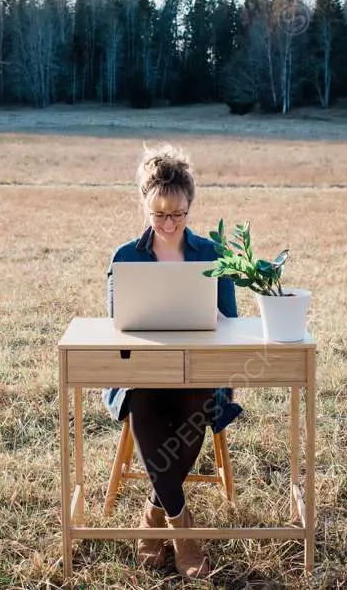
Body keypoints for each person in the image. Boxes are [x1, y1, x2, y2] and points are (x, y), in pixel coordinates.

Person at [102, 143, 242, 579]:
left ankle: (153, 513)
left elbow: (232, 323)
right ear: (145, 204)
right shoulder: (126, 256)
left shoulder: (209, 254)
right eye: (159, 214)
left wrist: (212, 313)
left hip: (199, 371)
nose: (168, 223)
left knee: (194, 401)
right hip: (140, 372)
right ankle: (183, 530)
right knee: (143, 401)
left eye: (178, 214)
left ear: (189, 207)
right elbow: (116, 325)